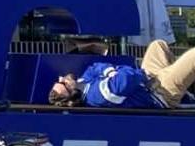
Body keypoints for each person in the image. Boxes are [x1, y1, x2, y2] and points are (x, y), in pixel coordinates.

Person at [50, 43, 195, 111]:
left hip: (148, 79)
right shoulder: (96, 96)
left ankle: (185, 91)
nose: (61, 78)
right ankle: (181, 94)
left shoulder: (82, 81)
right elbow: (128, 78)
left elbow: (95, 67)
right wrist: (113, 72)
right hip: (160, 93)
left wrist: (110, 72)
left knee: (157, 45)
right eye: (63, 83)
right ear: (72, 91)